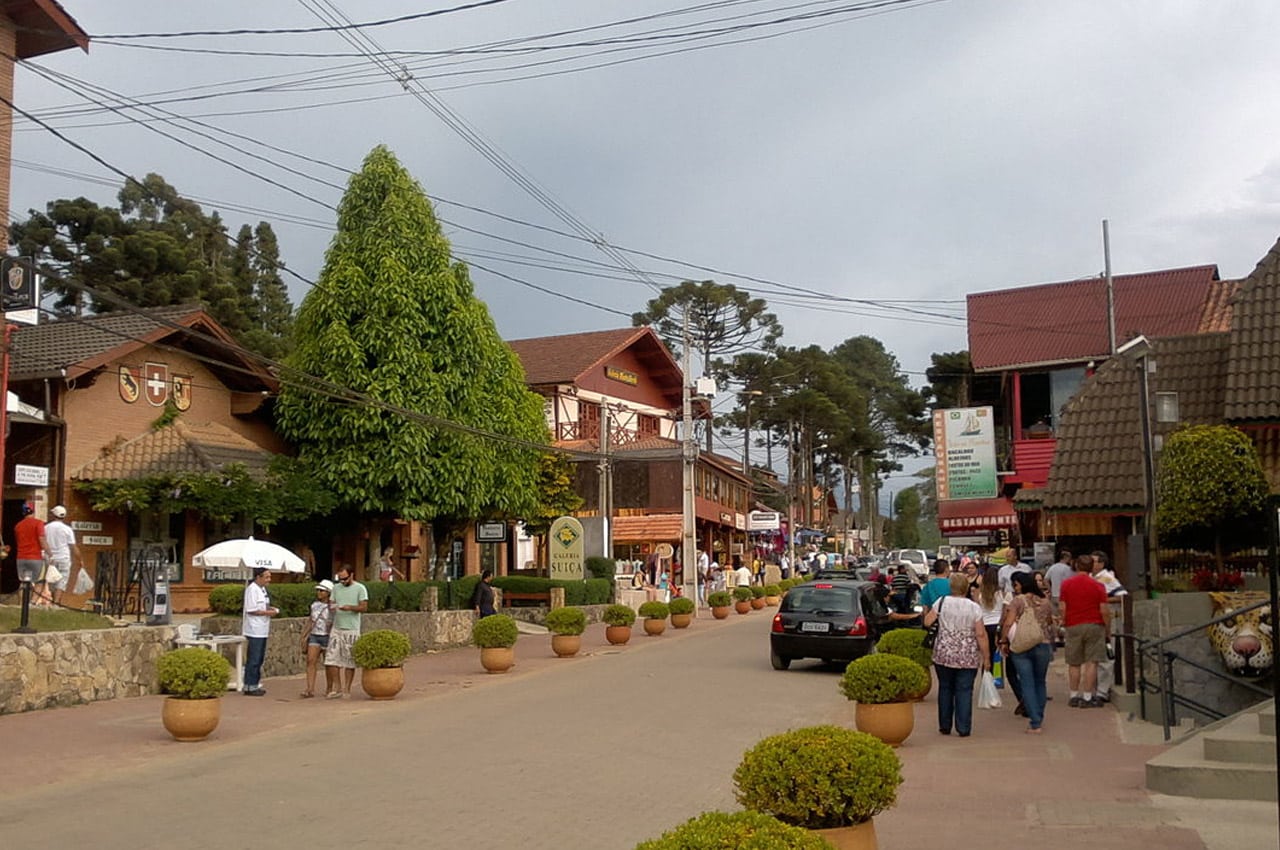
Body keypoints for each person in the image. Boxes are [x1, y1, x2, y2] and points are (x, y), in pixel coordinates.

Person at [923, 574, 990, 737]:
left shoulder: (941, 602)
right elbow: (980, 634)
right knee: (964, 690)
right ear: (966, 587)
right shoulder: (974, 607)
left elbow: (927, 622)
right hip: (967, 654)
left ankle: (945, 725)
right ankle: (963, 727)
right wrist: (986, 656)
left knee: (945, 688)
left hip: (944, 652)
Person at [1000, 571, 1055, 733]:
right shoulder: (1045, 602)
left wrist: (1003, 640)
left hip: (1021, 645)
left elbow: (1008, 623)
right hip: (1043, 643)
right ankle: (1039, 714)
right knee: (1040, 681)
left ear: (1022, 585)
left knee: (1027, 683)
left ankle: (1035, 722)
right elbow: (1050, 622)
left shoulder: (1018, 601)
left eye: (1016, 585)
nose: (1015, 588)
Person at [1060, 554, 1110, 708]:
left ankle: (1074, 695)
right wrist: (1107, 629)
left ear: (1076, 566)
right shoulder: (1099, 586)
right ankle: (1088, 696)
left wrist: (1064, 622)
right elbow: (1104, 610)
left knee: (1074, 662)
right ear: (1091, 568)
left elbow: (1063, 607)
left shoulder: (1066, 584)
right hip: (1094, 624)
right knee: (1092, 662)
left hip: (1073, 624)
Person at [324, 565, 368, 699]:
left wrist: (350, 608)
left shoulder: (360, 588)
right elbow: (331, 603)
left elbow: (364, 607)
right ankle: (337, 688)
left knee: (349, 661)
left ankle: (347, 688)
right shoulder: (336, 588)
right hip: (337, 627)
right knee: (331, 659)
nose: (342, 582)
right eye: (340, 579)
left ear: (352, 575)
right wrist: (333, 607)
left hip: (352, 628)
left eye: (345, 579)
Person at [241, 567, 279, 696]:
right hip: (254, 629)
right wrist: (269, 613)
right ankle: (249, 685)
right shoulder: (252, 589)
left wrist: (271, 609)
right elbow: (252, 609)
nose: (269, 579)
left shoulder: (262, 590)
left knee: (260, 658)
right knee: (254, 658)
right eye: (266, 577)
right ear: (258, 577)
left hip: (263, 629)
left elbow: (262, 606)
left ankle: (255, 683)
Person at [300, 580, 335, 698]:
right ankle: (310, 689)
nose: (319, 593)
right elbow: (311, 620)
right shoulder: (314, 605)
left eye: (322, 591)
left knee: (328, 664)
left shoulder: (332, 607)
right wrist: (304, 634)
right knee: (311, 661)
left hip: (327, 636)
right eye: (318, 590)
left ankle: (330, 688)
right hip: (315, 635)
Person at [44, 505, 84, 605]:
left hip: (49, 557)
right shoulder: (67, 529)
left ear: (54, 515)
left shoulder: (46, 528)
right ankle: (56, 603)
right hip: (64, 558)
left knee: (50, 580)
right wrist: (80, 560)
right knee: (62, 581)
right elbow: (73, 546)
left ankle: (50, 600)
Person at [14, 503, 50, 607]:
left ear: (23, 513)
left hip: (21, 558)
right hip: (35, 558)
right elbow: (42, 540)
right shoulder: (38, 523)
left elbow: (18, 541)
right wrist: (49, 552)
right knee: (39, 581)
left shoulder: (18, 526)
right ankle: (32, 603)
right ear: (33, 511)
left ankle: (21, 604)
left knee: (24, 582)